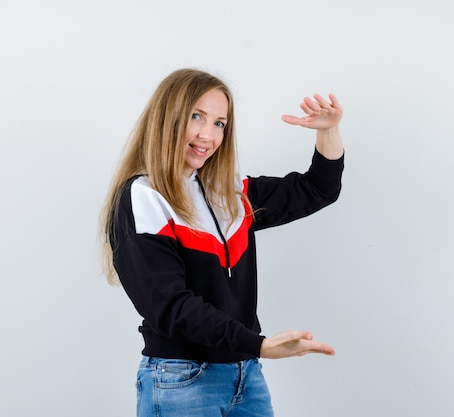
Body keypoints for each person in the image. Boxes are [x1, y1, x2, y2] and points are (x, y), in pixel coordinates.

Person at [100, 68, 344, 416]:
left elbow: (317, 190)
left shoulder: (229, 192)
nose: (207, 134)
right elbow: (170, 307)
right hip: (182, 379)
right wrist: (258, 344)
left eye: (219, 123)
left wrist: (329, 130)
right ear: (167, 118)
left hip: (246, 376)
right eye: (196, 116)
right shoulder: (143, 198)